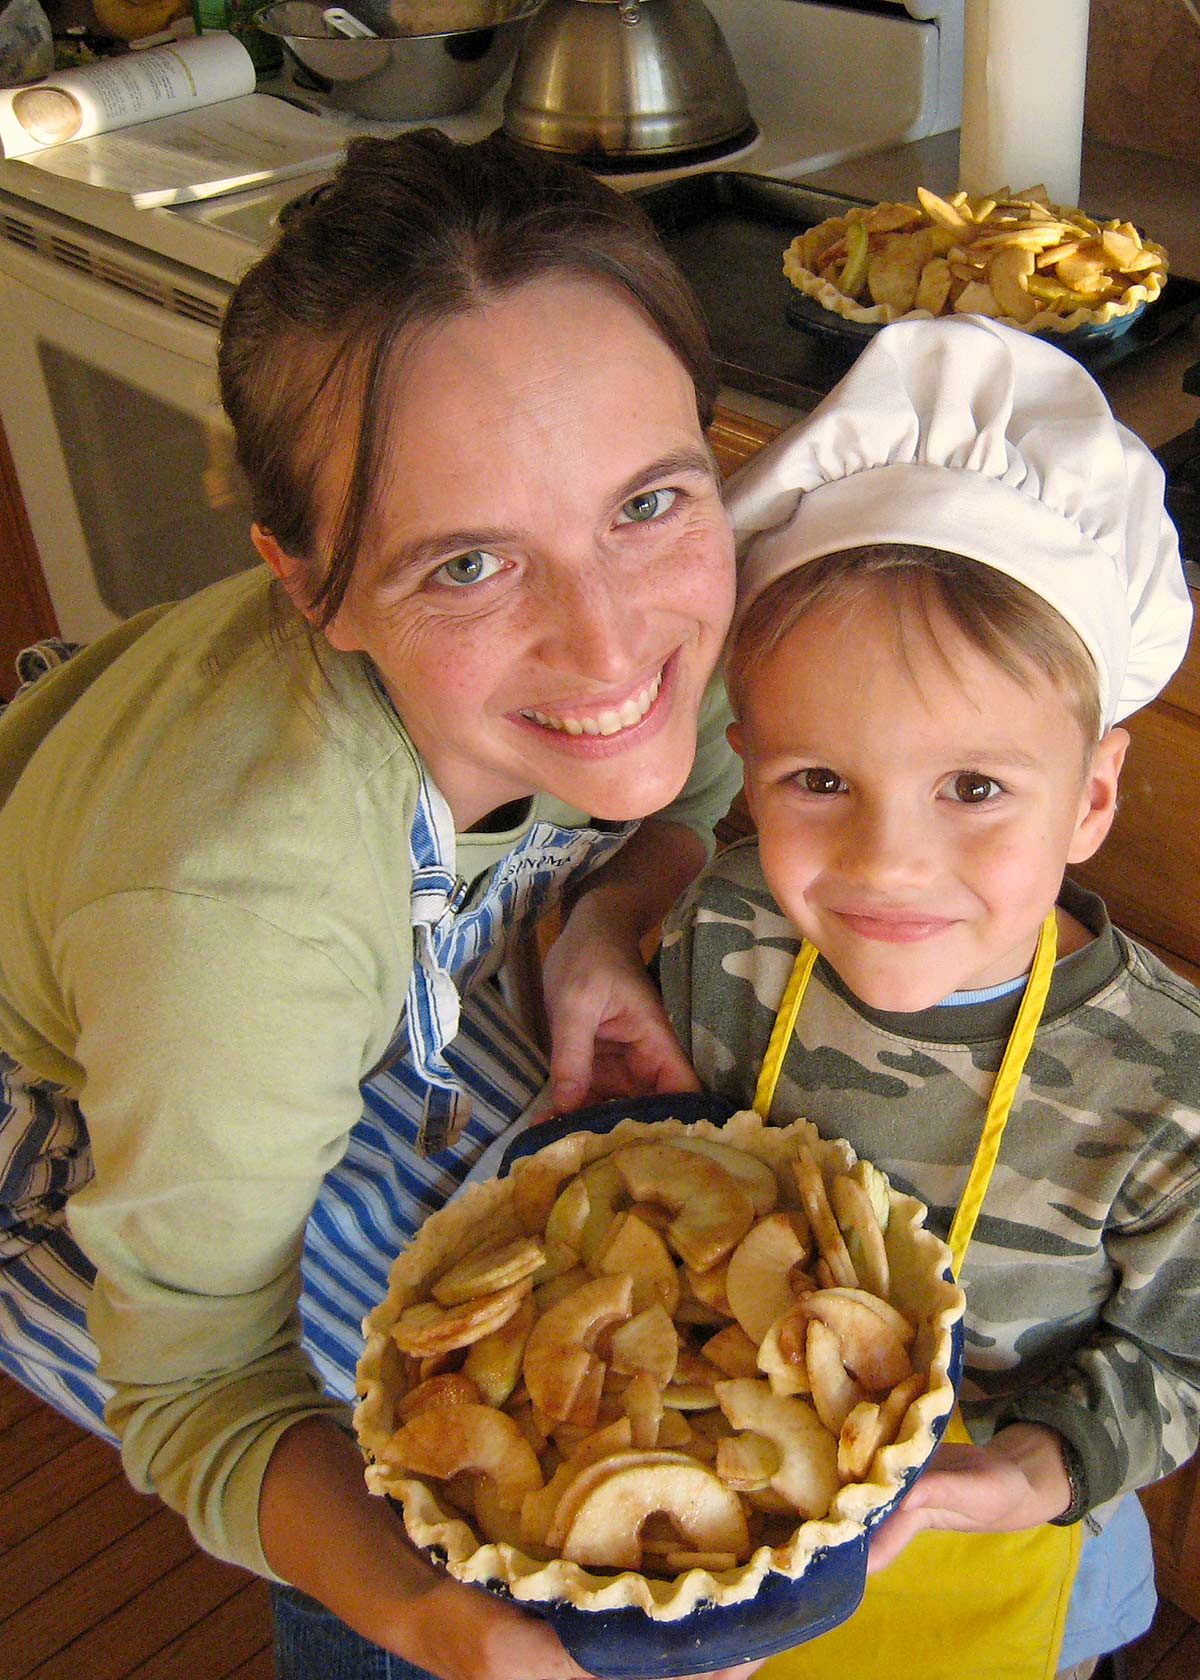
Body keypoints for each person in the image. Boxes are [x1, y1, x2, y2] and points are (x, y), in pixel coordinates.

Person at [0, 130, 761, 1680]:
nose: (612, 643)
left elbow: (684, 781)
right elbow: (205, 1383)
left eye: (648, 501)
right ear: (309, 585)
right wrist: (438, 1624)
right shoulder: (239, 927)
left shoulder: (682, 610)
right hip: (113, 1070)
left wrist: (616, 918)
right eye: (471, 564)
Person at [658, 314, 1200, 1680]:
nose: (887, 861)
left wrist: (1029, 1471)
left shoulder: (1168, 1088)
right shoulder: (716, 940)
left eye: (975, 788)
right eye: (819, 780)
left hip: (1018, 1568)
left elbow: (1179, 1359)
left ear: (1091, 795)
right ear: (748, 763)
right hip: (728, 1519)